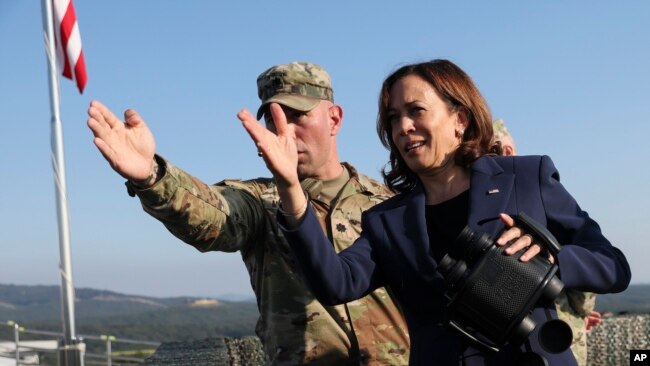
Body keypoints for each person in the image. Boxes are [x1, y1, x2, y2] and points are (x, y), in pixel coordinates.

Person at [238, 59, 632, 365]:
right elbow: (335, 283)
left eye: (416, 111)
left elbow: (613, 266)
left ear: (459, 119)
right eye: (393, 117)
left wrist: (553, 260)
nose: (403, 126)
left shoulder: (525, 177)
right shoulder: (387, 219)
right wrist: (290, 187)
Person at [86, 61, 410, 365]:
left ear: (334, 119)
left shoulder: (387, 201)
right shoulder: (262, 201)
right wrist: (153, 177)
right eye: (273, 118)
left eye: (297, 116)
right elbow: (211, 213)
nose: (285, 132)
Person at [492, 118, 603, 366]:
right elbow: (584, 293)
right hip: (559, 337)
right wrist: (581, 313)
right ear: (510, 150)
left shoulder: (486, 207)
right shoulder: (541, 201)